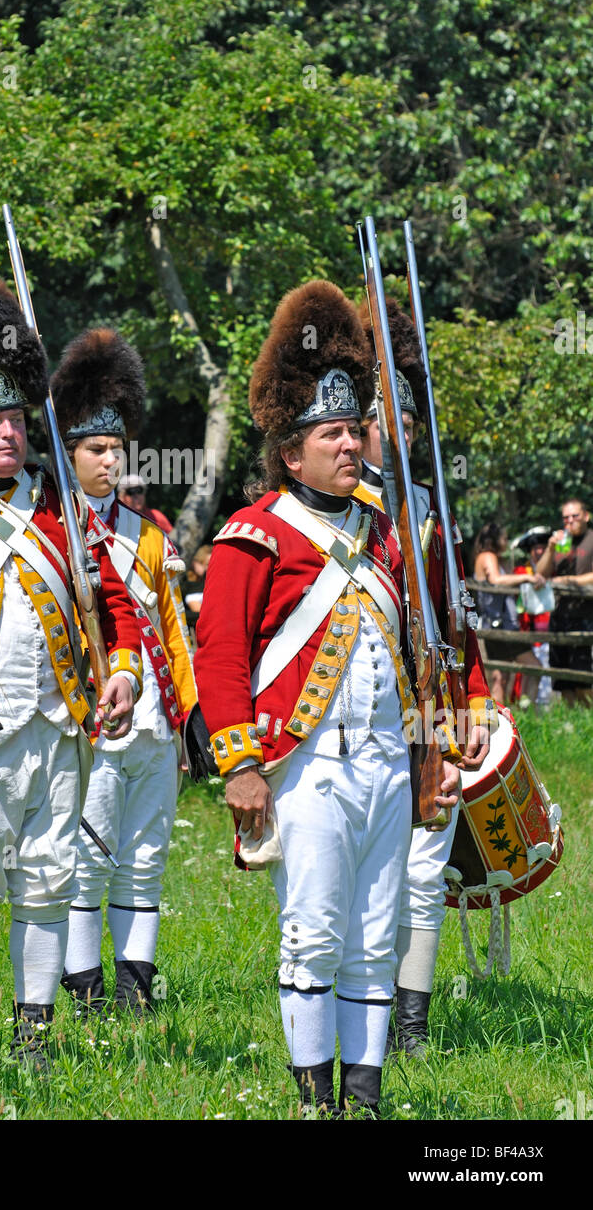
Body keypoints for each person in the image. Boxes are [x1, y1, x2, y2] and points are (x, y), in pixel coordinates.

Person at [193, 279, 461, 1118]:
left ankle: (364, 1097)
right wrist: (238, 765)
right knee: (312, 933)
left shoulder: (387, 531)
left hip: (386, 765)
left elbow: (428, 652)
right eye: (332, 435)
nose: (350, 447)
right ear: (290, 453)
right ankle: (314, 1101)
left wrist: (437, 752)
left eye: (353, 431)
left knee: (374, 938)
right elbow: (220, 656)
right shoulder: (255, 534)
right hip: (305, 766)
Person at [0, 276, 142, 1066]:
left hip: (58, 731)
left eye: (16, 416)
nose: (9, 432)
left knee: (47, 888)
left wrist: (120, 672)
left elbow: (110, 600)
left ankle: (34, 1038)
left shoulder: (58, 508)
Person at [354, 297, 494, 1058]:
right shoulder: (339, 512)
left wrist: (472, 700)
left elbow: (458, 621)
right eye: (384, 424)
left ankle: (410, 1022)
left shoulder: (433, 513)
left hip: (433, 712)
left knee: (420, 874)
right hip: (367, 713)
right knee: (366, 877)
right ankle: (361, 1010)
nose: (397, 436)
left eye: (407, 425)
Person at [51, 329, 197, 1010]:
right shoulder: (52, 530)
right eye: (95, 449)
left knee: (145, 858)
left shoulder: (148, 534)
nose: (110, 460)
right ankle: (81, 987)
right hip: (91, 719)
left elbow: (172, 632)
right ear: (68, 454)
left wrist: (187, 718)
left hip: (153, 723)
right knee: (86, 859)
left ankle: (136, 987)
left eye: (116, 448)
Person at [473, 523, 545, 703]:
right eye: (504, 538)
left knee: (500, 678)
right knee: (534, 667)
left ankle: (504, 719)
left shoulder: (494, 558)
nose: (506, 541)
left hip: (498, 624)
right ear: (495, 539)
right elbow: (496, 580)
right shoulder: (487, 556)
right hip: (500, 625)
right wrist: (527, 577)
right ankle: (526, 710)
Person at [535, 499, 593, 707]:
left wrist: (566, 581)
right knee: (562, 680)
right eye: (566, 518)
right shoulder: (560, 542)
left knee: (583, 676)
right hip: (559, 617)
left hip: (586, 617)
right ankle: (573, 724)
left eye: (575, 516)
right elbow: (539, 575)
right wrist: (550, 549)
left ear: (586, 516)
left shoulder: (591, 539)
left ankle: (588, 722)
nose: (570, 521)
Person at [512, 527, 553, 706]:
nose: (540, 551)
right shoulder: (521, 571)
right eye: (536, 548)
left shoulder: (554, 570)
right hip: (527, 630)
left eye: (543, 547)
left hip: (551, 630)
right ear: (530, 551)